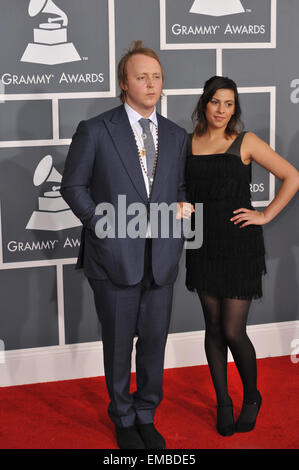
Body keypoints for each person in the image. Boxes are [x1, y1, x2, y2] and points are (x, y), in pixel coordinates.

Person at [60, 41, 193, 450]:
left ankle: (146, 412)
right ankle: (121, 417)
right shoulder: (96, 130)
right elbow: (73, 186)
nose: (151, 84)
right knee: (118, 344)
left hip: (162, 260)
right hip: (114, 259)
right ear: (123, 83)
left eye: (156, 77)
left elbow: (180, 188)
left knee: (154, 342)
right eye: (141, 77)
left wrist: (184, 210)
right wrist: (105, 225)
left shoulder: (175, 135)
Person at [185, 76, 299, 436]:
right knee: (213, 329)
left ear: (235, 108)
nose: (222, 110)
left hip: (239, 246)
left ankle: (251, 397)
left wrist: (264, 214)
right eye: (216, 102)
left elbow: (292, 176)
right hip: (202, 245)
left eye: (229, 104)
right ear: (204, 103)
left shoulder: (245, 141)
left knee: (234, 330)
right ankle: (223, 401)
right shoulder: (188, 144)